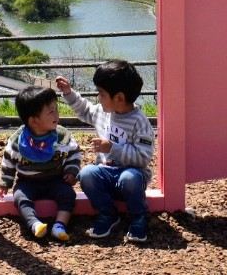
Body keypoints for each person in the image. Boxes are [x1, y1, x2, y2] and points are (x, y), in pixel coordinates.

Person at [56, 60, 154, 243]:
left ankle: (138, 217)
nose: (98, 97)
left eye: (101, 93)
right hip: (106, 173)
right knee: (86, 173)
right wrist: (68, 93)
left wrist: (112, 148)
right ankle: (108, 214)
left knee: (129, 178)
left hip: (132, 175)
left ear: (119, 98)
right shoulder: (103, 111)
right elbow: (85, 110)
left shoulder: (139, 122)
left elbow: (143, 157)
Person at [0, 85, 82, 242]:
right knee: (20, 197)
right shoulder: (18, 140)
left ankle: (59, 226)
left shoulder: (61, 136)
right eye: (51, 112)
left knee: (68, 195)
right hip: (27, 181)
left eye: (56, 109)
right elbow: (8, 160)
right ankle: (35, 224)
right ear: (33, 120)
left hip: (56, 180)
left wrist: (71, 171)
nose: (57, 114)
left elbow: (74, 153)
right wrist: (6, 182)